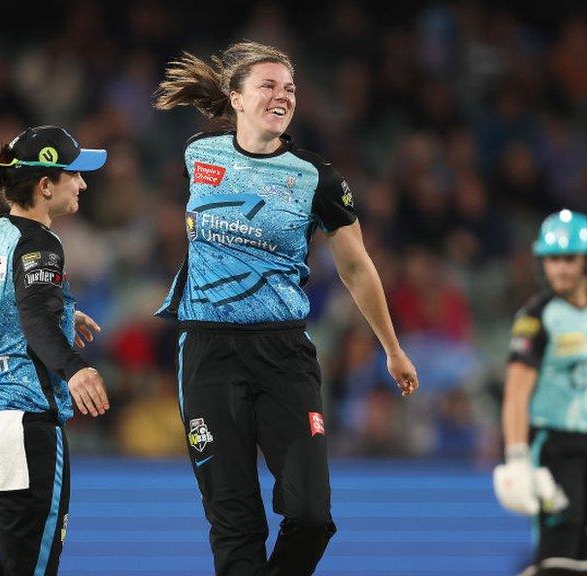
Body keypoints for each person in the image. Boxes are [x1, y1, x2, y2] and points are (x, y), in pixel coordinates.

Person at [153, 41, 420, 576]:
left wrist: (392, 348)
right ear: (237, 97)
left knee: (311, 515)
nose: (283, 95)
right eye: (269, 86)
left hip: (283, 354)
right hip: (207, 354)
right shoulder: (198, 154)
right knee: (235, 525)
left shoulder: (317, 178)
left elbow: (357, 267)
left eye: (291, 88)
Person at [0, 125, 111, 576]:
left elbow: (3, 308)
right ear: (45, 186)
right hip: (22, 425)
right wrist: (75, 368)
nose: (82, 183)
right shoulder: (40, 243)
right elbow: (34, 319)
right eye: (73, 175)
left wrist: (65, 313)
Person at [494, 210, 587, 576]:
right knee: (560, 560)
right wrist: (518, 456)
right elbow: (517, 392)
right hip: (556, 446)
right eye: (553, 259)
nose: (561, 268)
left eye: (570, 258)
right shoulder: (537, 317)